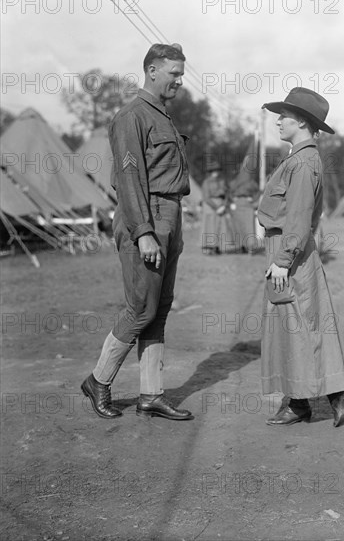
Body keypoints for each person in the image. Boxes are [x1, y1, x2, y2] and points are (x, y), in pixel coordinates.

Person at [81, 43, 193, 421]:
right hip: (146, 215)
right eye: (174, 73)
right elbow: (129, 179)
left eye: (181, 72)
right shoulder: (131, 116)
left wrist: (169, 225)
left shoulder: (162, 116)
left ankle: (151, 394)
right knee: (141, 307)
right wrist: (144, 232)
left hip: (170, 214)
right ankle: (99, 380)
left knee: (159, 308)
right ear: (152, 71)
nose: (180, 79)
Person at [257, 87, 344, 427]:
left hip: (290, 253)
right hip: (292, 249)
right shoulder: (302, 159)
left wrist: (283, 260)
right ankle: (322, 398)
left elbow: (298, 217)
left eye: (283, 115)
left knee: (297, 328)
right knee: (299, 326)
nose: (279, 120)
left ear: (300, 121)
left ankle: (311, 401)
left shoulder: (302, 162)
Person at [201, 161, 236, 254]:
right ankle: (208, 247)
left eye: (217, 170)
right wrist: (216, 208)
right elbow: (206, 197)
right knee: (209, 227)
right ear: (210, 171)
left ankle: (217, 247)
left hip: (221, 205)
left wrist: (224, 205)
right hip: (210, 206)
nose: (215, 172)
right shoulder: (206, 182)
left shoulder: (222, 181)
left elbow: (227, 194)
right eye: (213, 170)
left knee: (220, 227)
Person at [230, 178, 260, 254]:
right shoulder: (234, 181)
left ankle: (250, 247)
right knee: (238, 226)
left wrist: (253, 199)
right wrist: (233, 199)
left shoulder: (251, 182)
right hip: (238, 205)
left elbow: (258, 192)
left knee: (249, 226)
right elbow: (229, 192)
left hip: (248, 205)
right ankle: (240, 247)